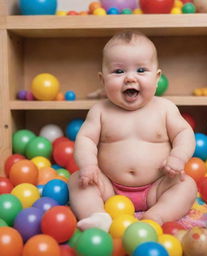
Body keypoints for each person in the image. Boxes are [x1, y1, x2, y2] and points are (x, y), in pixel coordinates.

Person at [68, 31, 197, 232]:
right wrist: (89, 165)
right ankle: (97, 215)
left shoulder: (165, 108)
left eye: (141, 70)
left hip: (157, 187)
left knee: (186, 185)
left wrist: (178, 157)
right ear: (102, 81)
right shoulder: (100, 111)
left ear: (157, 78)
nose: (130, 78)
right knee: (77, 180)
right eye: (119, 72)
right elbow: (85, 139)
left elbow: (184, 134)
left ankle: (156, 216)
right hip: (109, 187)